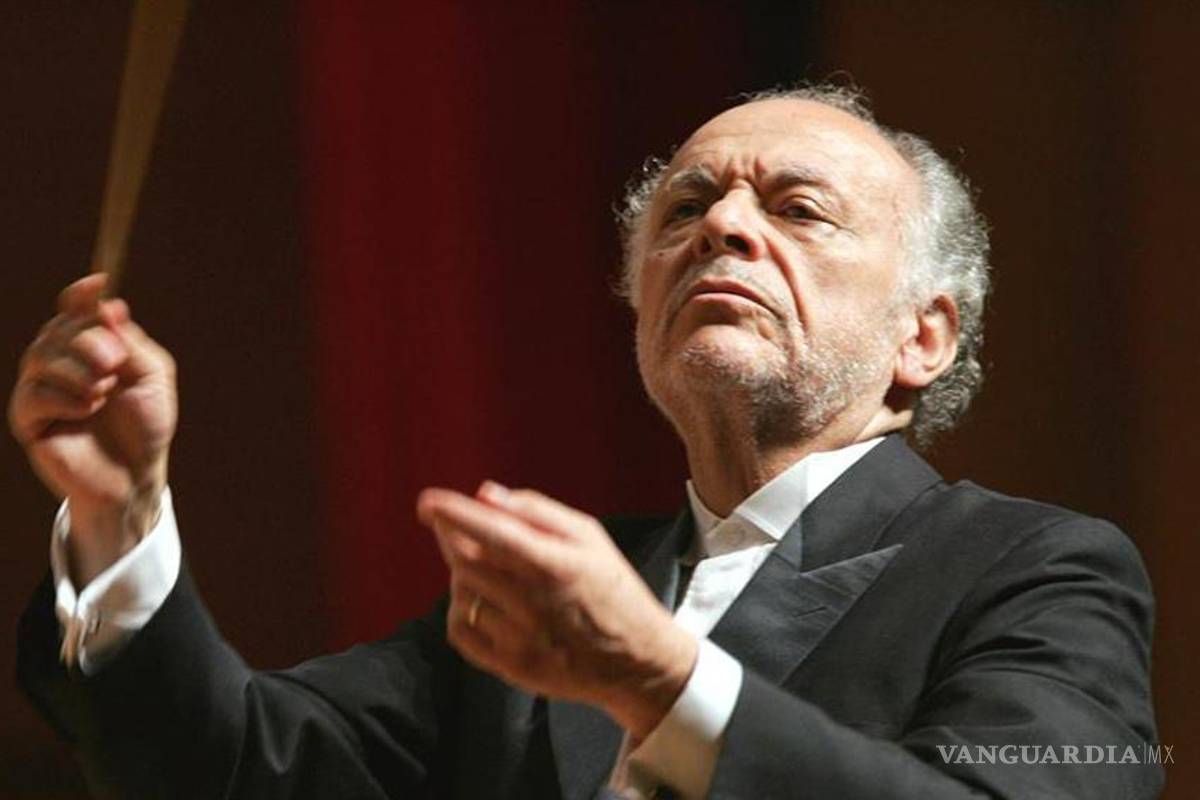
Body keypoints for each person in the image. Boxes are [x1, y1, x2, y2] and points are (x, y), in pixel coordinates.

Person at [12, 86, 1162, 799]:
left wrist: (656, 675)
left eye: (797, 209)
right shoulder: (549, 602)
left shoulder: (1037, 569)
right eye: (685, 208)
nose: (722, 225)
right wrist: (121, 512)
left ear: (924, 335)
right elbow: (227, 767)